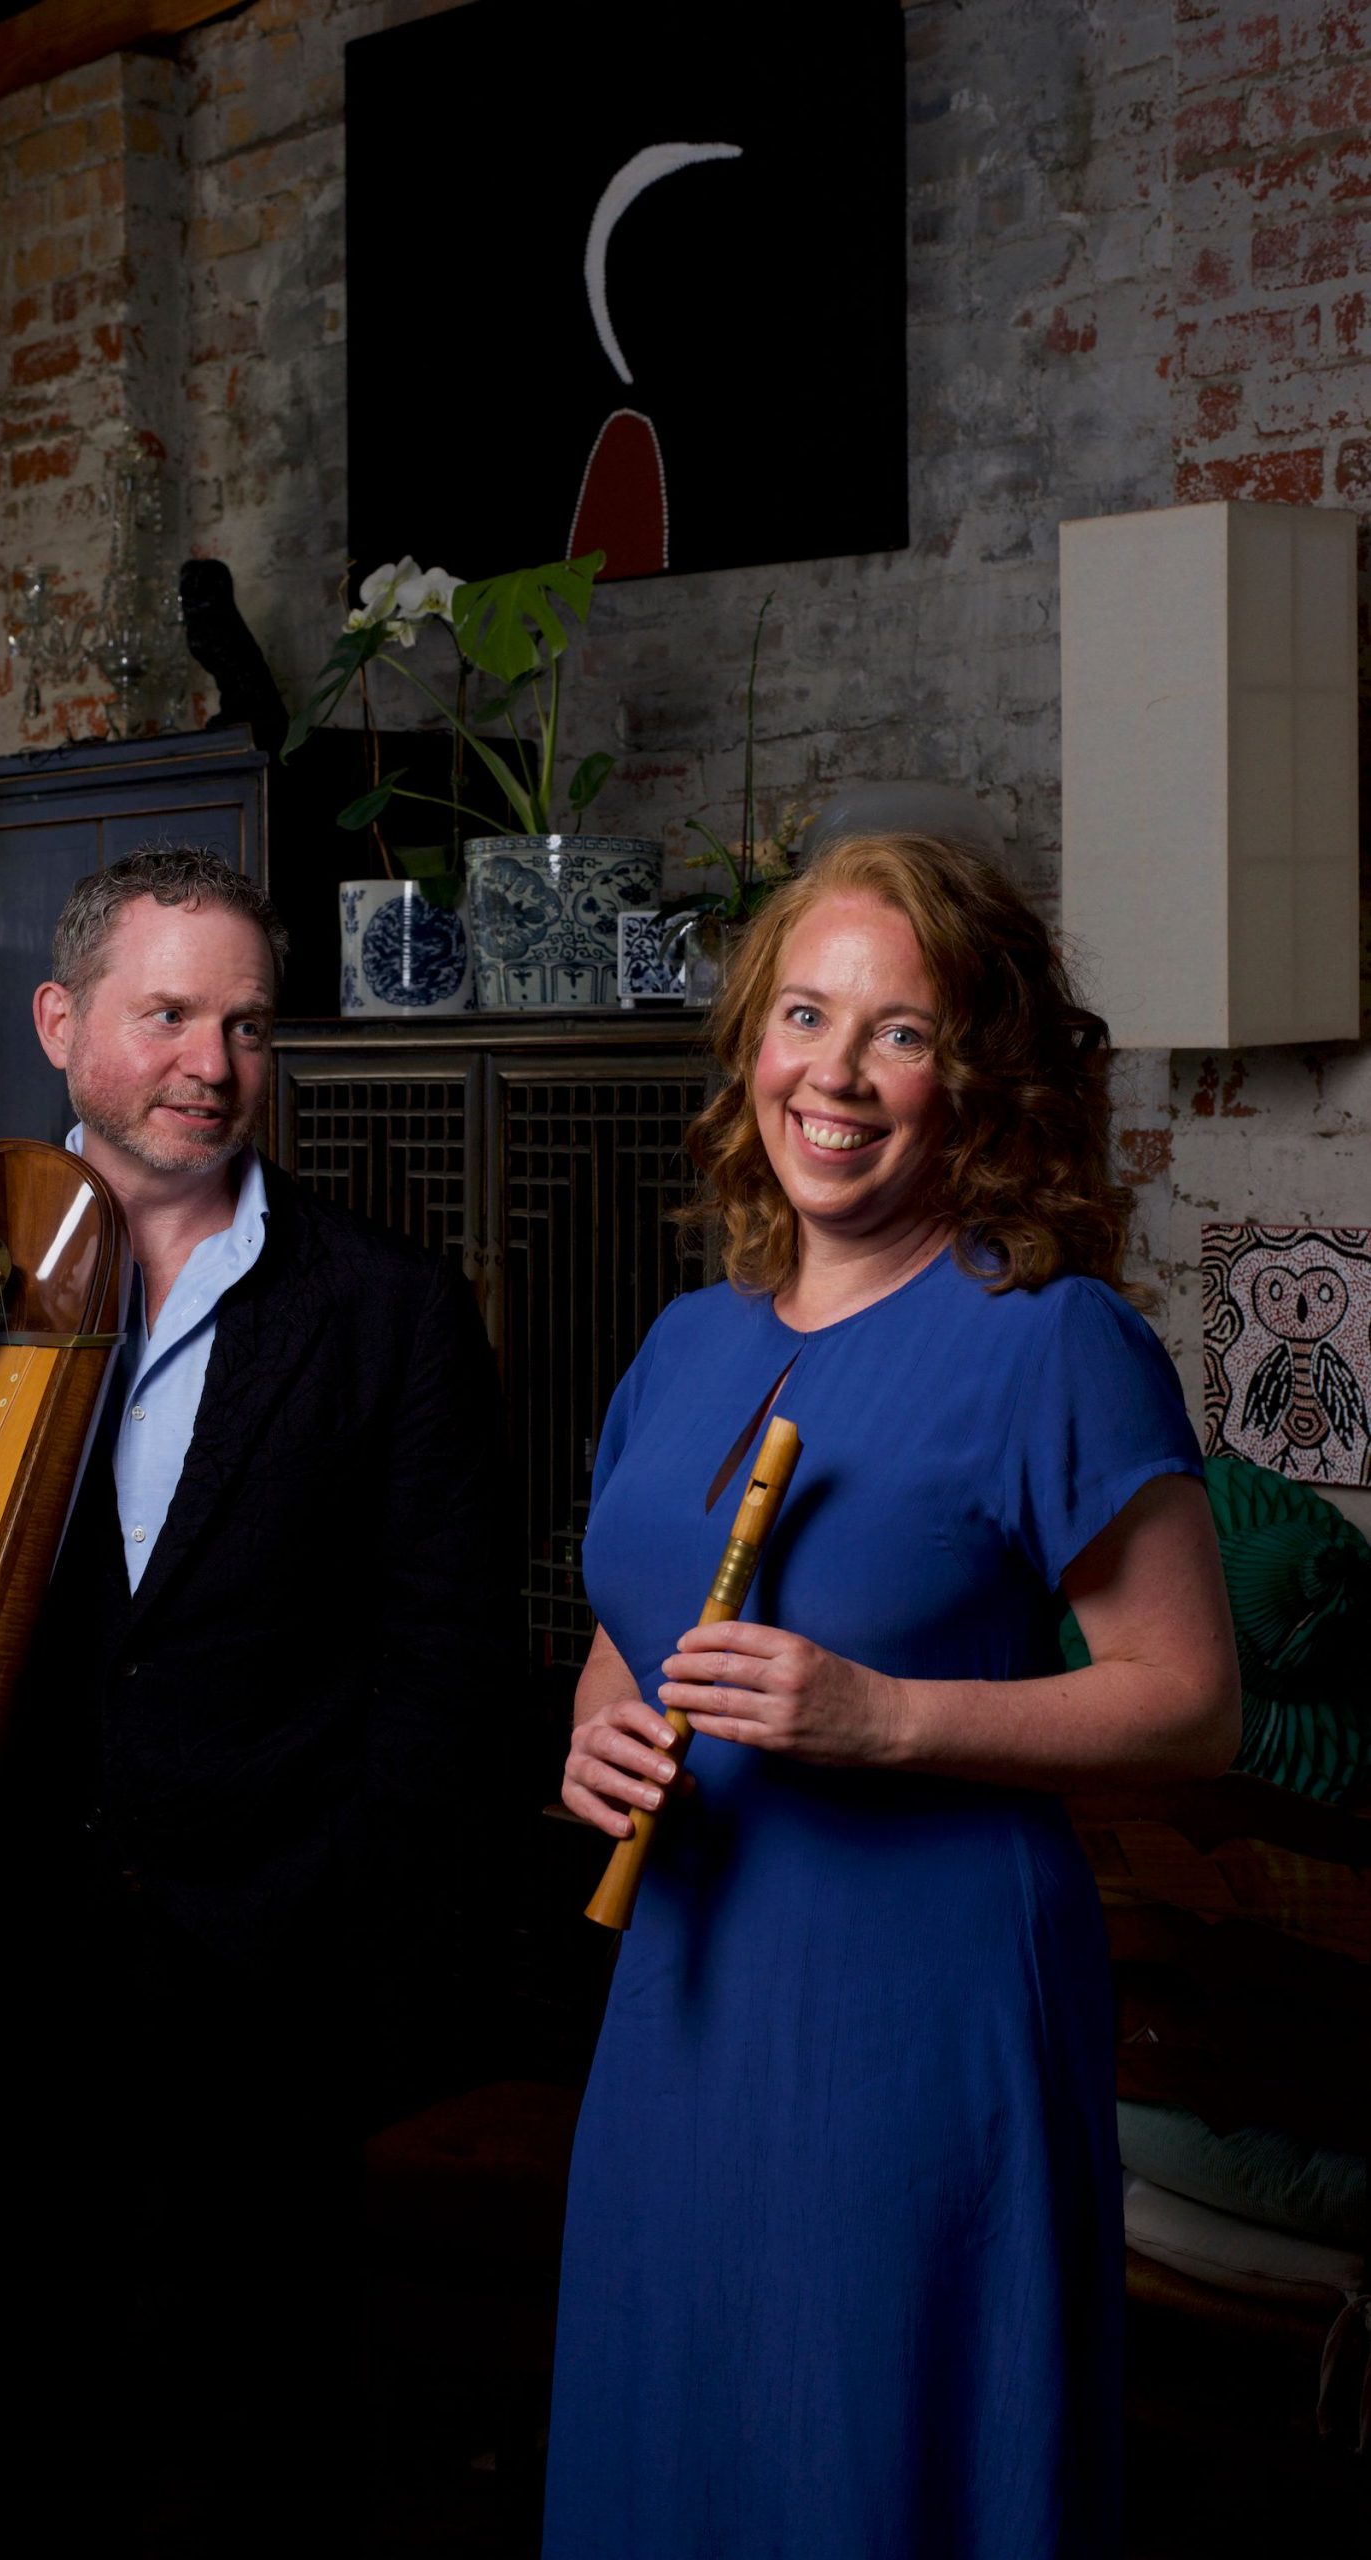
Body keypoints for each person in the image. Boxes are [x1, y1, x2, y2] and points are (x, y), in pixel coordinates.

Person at [545, 834, 1240, 2560]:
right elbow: (637, 1613)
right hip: (684, 2005)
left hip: (916, 2021)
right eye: (804, 1016)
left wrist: (886, 1719)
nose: (836, 1074)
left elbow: (1191, 1704)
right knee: (677, 2448)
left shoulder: (1051, 1340)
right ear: (753, 1044)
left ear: (978, 1075)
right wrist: (597, 1726)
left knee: (865, 2458)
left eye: (901, 1032)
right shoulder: (689, 1341)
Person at [0, 848, 510, 2556]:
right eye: (169, 1016)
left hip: (273, 1987)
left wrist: (340, 1943)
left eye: (247, 1025)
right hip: (13, 1978)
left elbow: (444, 1682)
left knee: (265, 2456)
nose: (213, 1064)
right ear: (59, 1024)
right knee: (40, 2442)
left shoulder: (392, 1310)